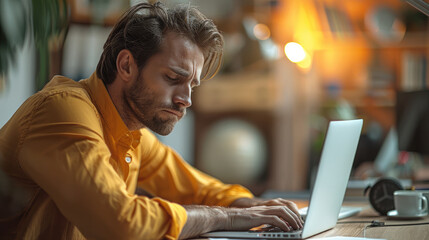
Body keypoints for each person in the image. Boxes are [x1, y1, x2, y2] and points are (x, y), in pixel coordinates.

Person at [0, 2, 303, 239]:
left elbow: (198, 189)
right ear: (126, 65)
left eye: (192, 86)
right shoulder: (64, 111)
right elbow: (120, 223)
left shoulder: (131, 132)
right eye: (173, 78)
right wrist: (224, 217)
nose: (186, 99)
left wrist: (252, 206)